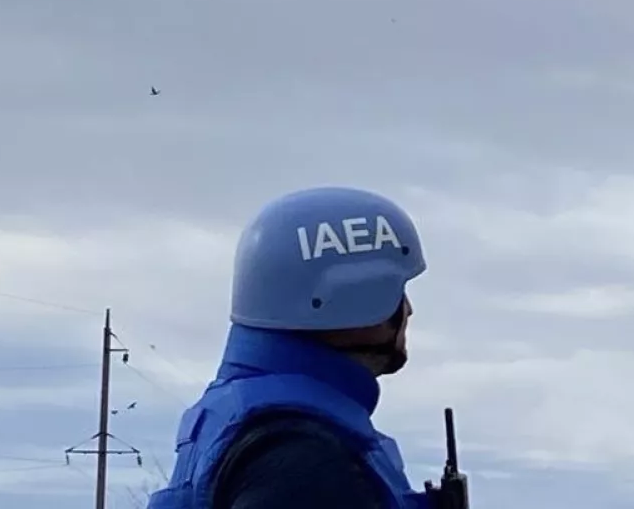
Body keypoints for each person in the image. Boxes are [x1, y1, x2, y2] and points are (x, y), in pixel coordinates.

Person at [146, 187, 436, 509]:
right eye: (396, 291)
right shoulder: (305, 459)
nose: (408, 309)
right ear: (350, 297)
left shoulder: (255, 419)